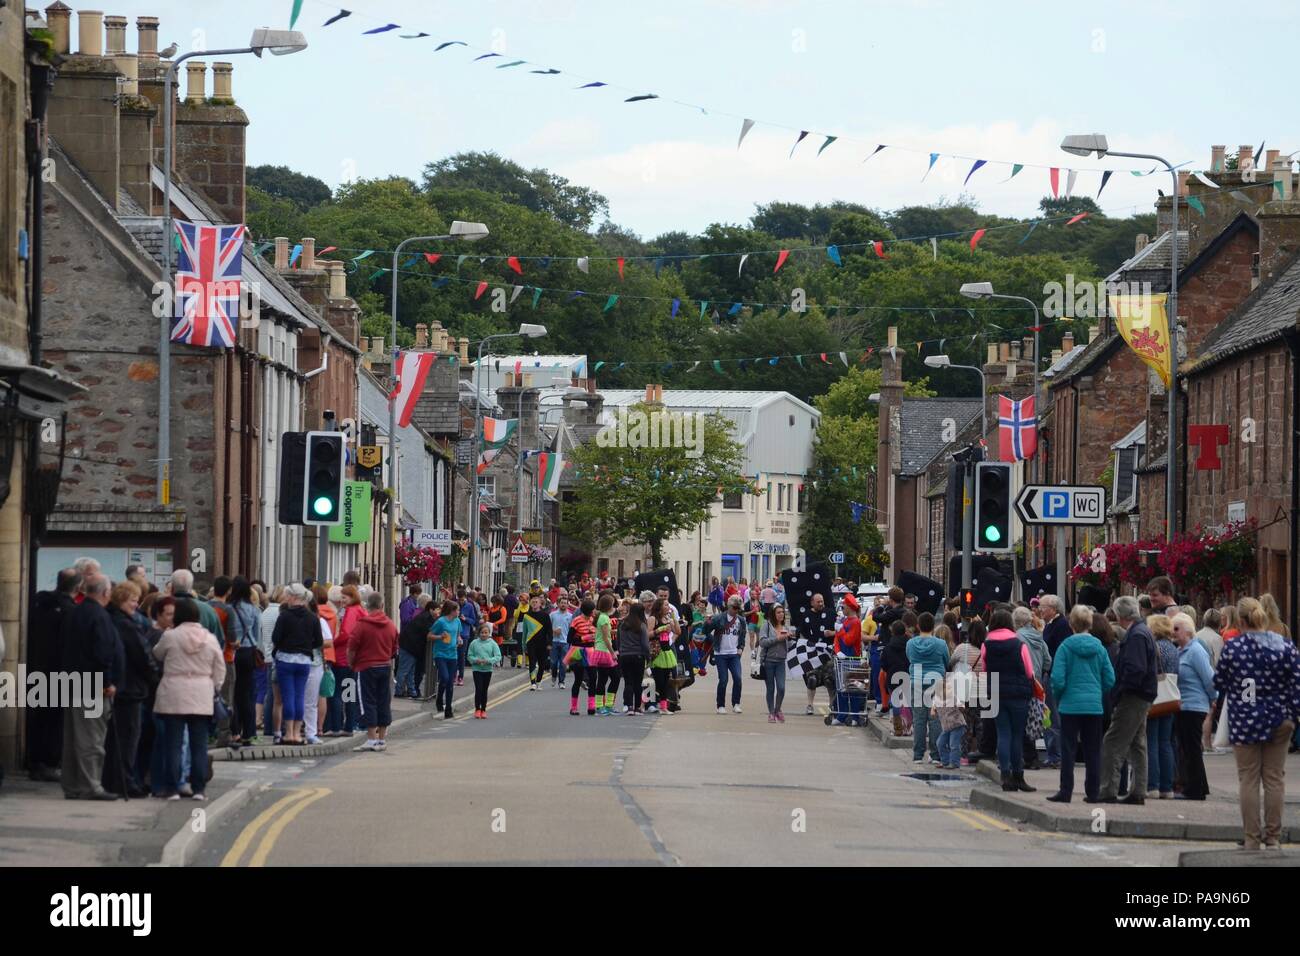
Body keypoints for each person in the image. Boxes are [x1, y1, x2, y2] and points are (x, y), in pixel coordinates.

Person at [1213, 597, 1300, 849]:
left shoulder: (1234, 647)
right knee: (1274, 778)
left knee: (1248, 779)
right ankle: (1273, 836)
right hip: (1280, 717)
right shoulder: (1285, 646)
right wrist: (1292, 714)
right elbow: (1296, 683)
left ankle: (1251, 837)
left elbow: (1219, 682)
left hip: (1245, 719)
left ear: (1240, 620)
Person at [152, 598, 225, 801]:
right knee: (199, 745)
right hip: (201, 693)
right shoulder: (209, 639)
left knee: (173, 743)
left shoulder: (171, 636)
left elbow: (157, 654)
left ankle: (173, 788)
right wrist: (214, 687)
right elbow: (220, 669)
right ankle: (199, 789)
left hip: (174, 692)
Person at [60, 574, 122, 801]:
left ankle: (72, 785)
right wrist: (106, 682)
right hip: (93, 685)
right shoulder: (99, 616)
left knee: (72, 738)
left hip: (73, 681)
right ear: (105, 592)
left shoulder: (76, 611)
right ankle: (90, 786)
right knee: (92, 739)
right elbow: (102, 653)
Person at [1046, 604, 1116, 803]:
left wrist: (1060, 696)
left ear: (1071, 623)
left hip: (1070, 705)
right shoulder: (1099, 648)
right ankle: (1093, 792)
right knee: (1093, 750)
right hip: (1094, 705)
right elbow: (1110, 678)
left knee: (1068, 749)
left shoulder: (1066, 647)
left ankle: (1065, 791)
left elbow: (1057, 679)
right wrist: (1096, 691)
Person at [1097, 596, 1158, 804]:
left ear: (1120, 615)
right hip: (1142, 694)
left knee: (1112, 742)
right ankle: (1138, 790)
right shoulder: (1142, 631)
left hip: (1133, 696)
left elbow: (1135, 669)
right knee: (1137, 744)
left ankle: (1108, 790)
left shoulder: (1136, 636)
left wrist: (1120, 691)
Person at [26, 568, 81, 782]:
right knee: (54, 722)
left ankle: (35, 762)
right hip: (58, 673)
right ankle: (48, 763)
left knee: (38, 719)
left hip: (35, 669)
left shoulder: (39, 603)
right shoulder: (69, 611)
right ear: (77, 588)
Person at [104, 581, 155, 797]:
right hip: (130, 688)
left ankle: (115, 779)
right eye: (134, 600)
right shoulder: (126, 625)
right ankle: (124, 781)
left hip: (121, 686)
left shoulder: (111, 619)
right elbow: (142, 656)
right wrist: (155, 677)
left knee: (115, 739)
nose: (136, 604)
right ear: (123, 600)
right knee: (128, 738)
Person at [978, 607, 1037, 793]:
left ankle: (1005, 776)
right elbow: (1029, 671)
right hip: (1019, 694)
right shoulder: (1019, 644)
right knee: (1017, 735)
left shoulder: (986, 644)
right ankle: (1018, 776)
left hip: (996, 692)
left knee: (1003, 733)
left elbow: (984, 669)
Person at [270, 584, 321, 746]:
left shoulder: (284, 616)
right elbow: (318, 641)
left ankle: (289, 733)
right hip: (304, 661)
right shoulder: (312, 617)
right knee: (300, 696)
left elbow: (275, 638)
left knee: (287, 696)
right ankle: (298, 734)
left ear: (292, 597)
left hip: (285, 660)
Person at [1170, 611, 1214, 801]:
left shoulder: (1195, 651)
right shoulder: (1181, 650)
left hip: (1194, 706)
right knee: (1188, 748)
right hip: (1184, 705)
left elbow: (1210, 678)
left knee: (1192, 748)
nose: (1173, 632)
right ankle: (1197, 786)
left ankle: (1195, 789)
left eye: (1177, 628)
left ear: (1188, 631)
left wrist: (1213, 698)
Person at [348, 591, 399, 752]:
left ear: (367, 606)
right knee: (383, 700)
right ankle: (382, 739)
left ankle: (371, 738)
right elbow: (394, 648)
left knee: (367, 700)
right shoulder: (390, 625)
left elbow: (352, 647)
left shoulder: (362, 624)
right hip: (385, 665)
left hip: (366, 666)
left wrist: (352, 663)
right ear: (382, 606)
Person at [222, 577, 263, 748]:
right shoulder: (254, 610)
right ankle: (250, 733)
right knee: (247, 694)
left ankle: (234, 731)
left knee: (232, 693)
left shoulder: (227, 608)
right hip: (248, 652)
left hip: (231, 652)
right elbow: (257, 635)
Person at [1145, 614, 1179, 800]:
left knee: (1151, 742)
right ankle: (1167, 787)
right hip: (1170, 698)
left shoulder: (1155, 646)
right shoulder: (1174, 649)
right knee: (1166, 743)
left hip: (1155, 698)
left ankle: (1152, 785)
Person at [906, 611, 947, 764]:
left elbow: (909, 658)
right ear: (933, 626)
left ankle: (918, 755)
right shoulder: (940, 644)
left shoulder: (911, 643)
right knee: (935, 719)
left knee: (919, 719)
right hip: (936, 681)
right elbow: (946, 660)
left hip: (916, 681)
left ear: (918, 625)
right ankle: (935, 755)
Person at [796, 592, 837, 716]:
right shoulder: (806, 615)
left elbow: (841, 630)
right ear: (812, 603)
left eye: (822, 601)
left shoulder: (830, 613)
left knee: (830, 680)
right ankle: (810, 705)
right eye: (818, 602)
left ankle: (832, 706)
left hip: (827, 652)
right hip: (812, 653)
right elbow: (801, 632)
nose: (821, 604)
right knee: (812, 680)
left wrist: (832, 633)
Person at [706, 595, 747, 715]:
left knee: (738, 678)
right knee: (723, 680)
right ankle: (720, 705)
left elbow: (742, 635)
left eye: (738, 608)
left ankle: (736, 703)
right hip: (720, 654)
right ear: (729, 606)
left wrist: (741, 648)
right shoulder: (719, 618)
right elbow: (706, 631)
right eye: (734, 608)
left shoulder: (741, 620)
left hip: (734, 654)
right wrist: (713, 641)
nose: (736, 610)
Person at [617, 598, 652, 714]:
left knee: (628, 681)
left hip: (624, 655)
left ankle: (628, 706)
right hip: (638, 655)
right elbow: (645, 644)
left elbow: (618, 641)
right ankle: (637, 707)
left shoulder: (622, 624)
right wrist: (648, 657)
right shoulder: (641, 625)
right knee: (637, 682)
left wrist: (620, 652)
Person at [758, 604, 792, 722]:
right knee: (771, 688)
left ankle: (777, 710)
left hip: (781, 662)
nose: (781, 614)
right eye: (778, 612)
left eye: (782, 612)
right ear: (773, 614)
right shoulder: (766, 626)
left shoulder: (785, 627)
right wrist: (778, 639)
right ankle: (771, 713)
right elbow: (762, 642)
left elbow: (789, 645)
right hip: (768, 661)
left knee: (781, 688)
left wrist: (790, 639)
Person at [397, 594, 433, 698]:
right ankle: (399, 691)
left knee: (410, 671)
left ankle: (411, 691)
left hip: (412, 646)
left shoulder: (422, 615)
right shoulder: (423, 616)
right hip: (409, 645)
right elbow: (427, 631)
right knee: (404, 670)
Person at [430, 600, 463, 719]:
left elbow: (458, 634)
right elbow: (429, 636)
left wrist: (459, 639)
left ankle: (448, 708)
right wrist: (440, 636)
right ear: (451, 611)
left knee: (450, 683)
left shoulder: (458, 621)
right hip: (440, 654)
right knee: (444, 677)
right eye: (457, 610)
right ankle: (439, 698)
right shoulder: (440, 621)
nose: (459, 612)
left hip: (452, 654)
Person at [649, 597, 680, 714]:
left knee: (665, 681)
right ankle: (644, 704)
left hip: (666, 651)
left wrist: (673, 619)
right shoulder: (653, 619)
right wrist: (660, 630)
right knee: (657, 680)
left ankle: (663, 707)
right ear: (660, 606)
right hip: (656, 652)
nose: (668, 607)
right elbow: (647, 634)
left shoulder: (668, 618)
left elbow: (678, 631)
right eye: (666, 605)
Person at [590, 593, 619, 716]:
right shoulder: (604, 618)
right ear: (608, 605)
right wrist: (613, 653)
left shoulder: (602, 616)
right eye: (612, 603)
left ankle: (607, 705)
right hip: (604, 651)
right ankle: (600, 707)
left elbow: (605, 633)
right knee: (604, 679)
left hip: (602, 650)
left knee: (612, 678)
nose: (614, 605)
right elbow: (607, 638)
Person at [468, 622, 503, 718]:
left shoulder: (492, 643)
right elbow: (469, 656)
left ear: (489, 633)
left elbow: (498, 656)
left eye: (486, 632)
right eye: (482, 632)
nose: (484, 634)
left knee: (484, 690)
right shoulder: (474, 643)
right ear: (479, 633)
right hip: (477, 669)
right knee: (478, 689)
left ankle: (483, 710)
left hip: (487, 670)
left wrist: (489, 661)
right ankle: (477, 709)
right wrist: (476, 660)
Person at [521, 594, 555, 690]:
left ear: (540, 604)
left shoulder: (545, 615)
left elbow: (549, 631)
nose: (534, 603)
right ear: (530, 604)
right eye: (533, 602)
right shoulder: (527, 616)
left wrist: (549, 643)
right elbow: (524, 632)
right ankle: (532, 683)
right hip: (531, 643)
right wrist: (523, 645)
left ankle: (539, 681)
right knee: (532, 662)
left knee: (542, 664)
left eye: (536, 602)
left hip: (543, 643)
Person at [549, 595, 574, 689]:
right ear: (558, 604)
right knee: (553, 663)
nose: (563, 604)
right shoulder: (552, 615)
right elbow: (547, 628)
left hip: (565, 642)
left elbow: (572, 630)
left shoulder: (571, 616)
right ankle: (554, 676)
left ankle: (561, 681)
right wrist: (554, 631)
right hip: (554, 641)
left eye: (565, 603)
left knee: (563, 663)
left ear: (568, 605)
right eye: (561, 603)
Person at [458, 588, 479, 686]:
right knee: (454, 656)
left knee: (462, 656)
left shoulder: (470, 606)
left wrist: (465, 618)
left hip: (464, 634)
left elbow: (473, 620)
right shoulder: (455, 605)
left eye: (463, 599)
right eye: (460, 600)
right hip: (455, 634)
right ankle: (454, 675)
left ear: (466, 598)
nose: (461, 601)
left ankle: (460, 677)